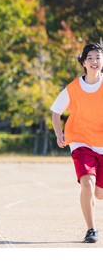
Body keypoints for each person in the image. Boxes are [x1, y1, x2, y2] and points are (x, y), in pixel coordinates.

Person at [51, 42, 103, 243]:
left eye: (98, 57)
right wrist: (59, 133)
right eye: (89, 58)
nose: (94, 61)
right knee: (87, 182)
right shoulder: (73, 88)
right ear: (83, 62)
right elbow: (56, 111)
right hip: (80, 141)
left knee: (99, 194)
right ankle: (91, 230)